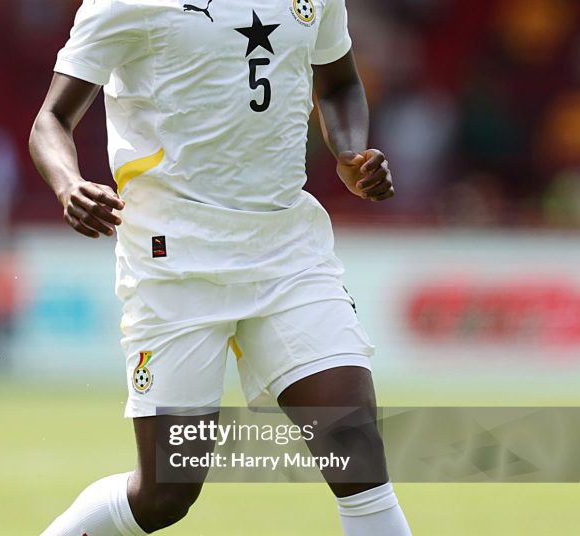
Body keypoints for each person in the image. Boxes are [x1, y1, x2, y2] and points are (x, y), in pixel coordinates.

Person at [29, 0, 411, 534]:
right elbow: (51, 119)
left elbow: (340, 82)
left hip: (287, 251)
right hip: (175, 260)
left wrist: (350, 153)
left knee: (358, 458)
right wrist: (69, 184)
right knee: (165, 495)